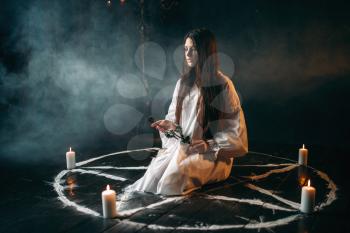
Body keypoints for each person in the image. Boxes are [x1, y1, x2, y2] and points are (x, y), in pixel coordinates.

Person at [127, 28, 248, 196]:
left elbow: (237, 135)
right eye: (186, 49)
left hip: (212, 157)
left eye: (194, 49)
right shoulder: (183, 83)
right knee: (152, 177)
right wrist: (170, 126)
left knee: (172, 180)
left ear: (205, 51)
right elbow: (177, 123)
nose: (188, 54)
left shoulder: (222, 85)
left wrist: (209, 145)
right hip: (184, 148)